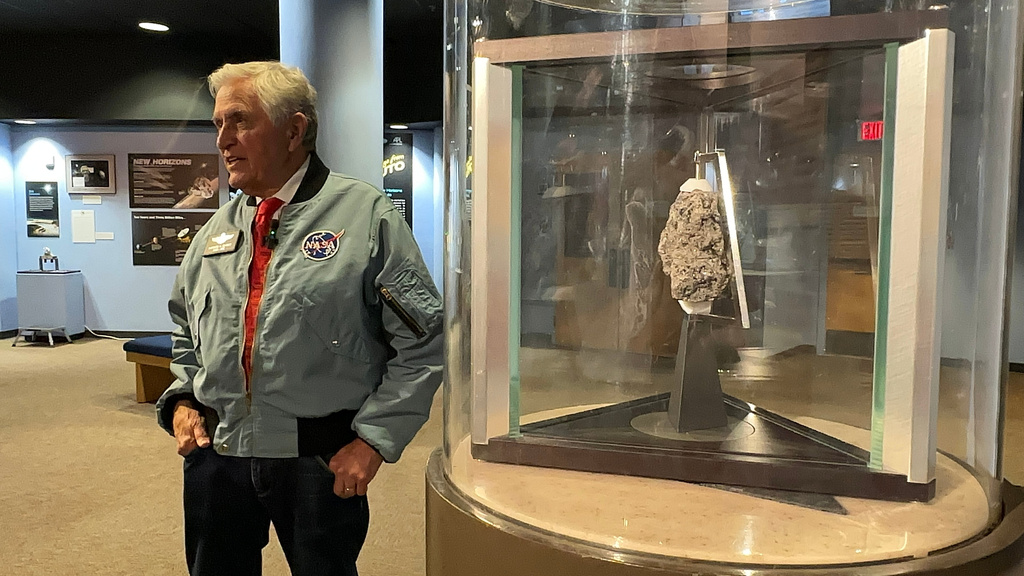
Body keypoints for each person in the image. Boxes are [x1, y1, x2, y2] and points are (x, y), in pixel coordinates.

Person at [155, 61, 443, 576]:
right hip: (218, 456)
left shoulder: (365, 216)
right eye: (217, 124)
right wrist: (180, 399)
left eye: (239, 121)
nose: (223, 140)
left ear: (294, 129)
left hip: (317, 464)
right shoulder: (217, 229)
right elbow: (185, 329)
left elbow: (422, 343)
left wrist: (374, 441)